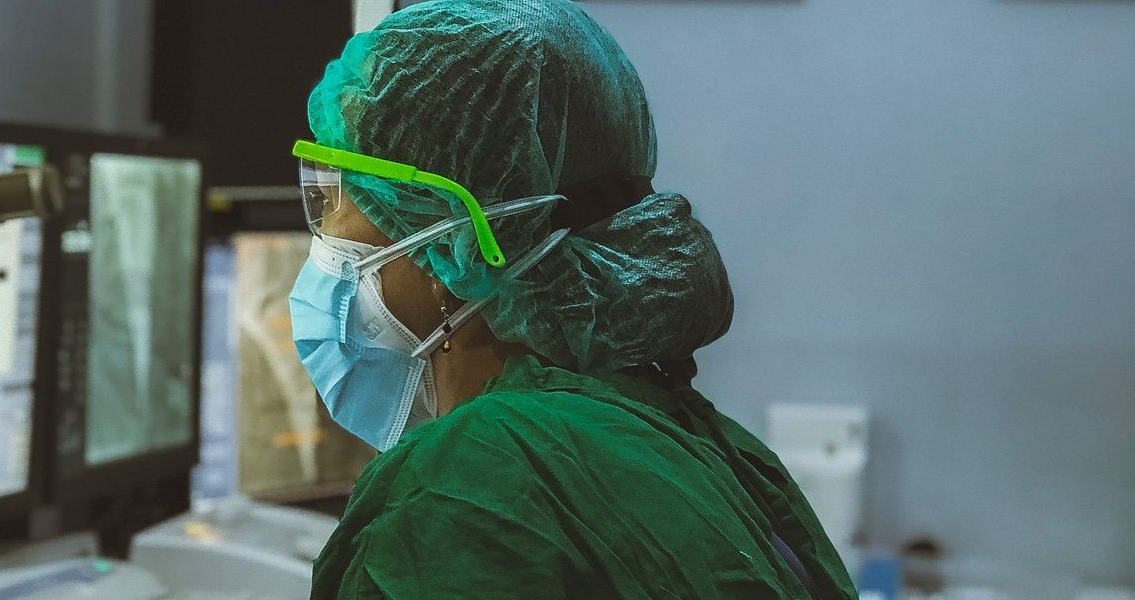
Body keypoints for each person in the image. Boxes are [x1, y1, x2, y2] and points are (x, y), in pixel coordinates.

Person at [286, 0, 858, 598]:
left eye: (331, 200)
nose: (323, 233)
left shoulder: (474, 481)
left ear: (451, 240)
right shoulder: (678, 438)